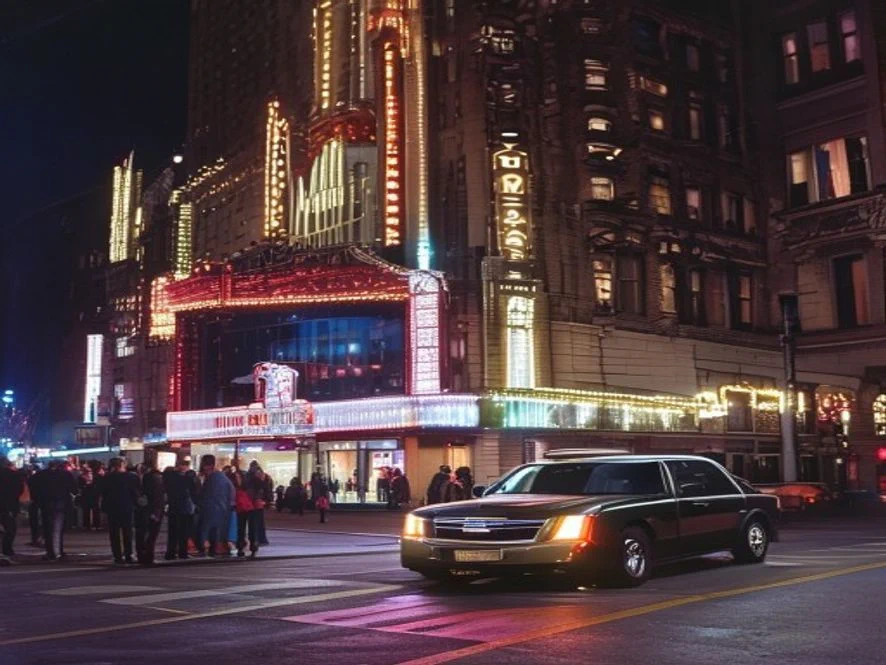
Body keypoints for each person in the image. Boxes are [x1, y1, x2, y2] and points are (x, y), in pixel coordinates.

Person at [101, 457, 141, 564]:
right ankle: (129, 554)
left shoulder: (107, 478)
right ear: (122, 465)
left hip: (112, 507)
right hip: (127, 506)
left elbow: (103, 493)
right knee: (127, 532)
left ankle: (117, 555)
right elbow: (136, 492)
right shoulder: (131, 477)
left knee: (114, 533)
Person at [196, 454, 235, 557]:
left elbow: (204, 494)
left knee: (203, 529)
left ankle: (203, 549)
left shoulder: (211, 479)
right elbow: (231, 492)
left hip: (210, 508)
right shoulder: (223, 478)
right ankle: (212, 550)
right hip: (221, 509)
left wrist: (200, 504)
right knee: (215, 531)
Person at [41, 461, 77, 560]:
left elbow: (34, 486)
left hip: (46, 503)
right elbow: (74, 488)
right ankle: (57, 551)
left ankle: (50, 551)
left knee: (48, 528)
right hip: (61, 503)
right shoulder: (65, 475)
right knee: (58, 528)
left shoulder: (42, 475)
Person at [164, 459, 198, 560]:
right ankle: (182, 552)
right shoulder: (186, 478)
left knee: (173, 532)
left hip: (174, 507)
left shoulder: (170, 477)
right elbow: (193, 491)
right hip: (184, 508)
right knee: (183, 532)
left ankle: (171, 553)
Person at [137, 462, 165, 565]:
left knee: (144, 534)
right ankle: (148, 556)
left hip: (146, 510)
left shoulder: (145, 478)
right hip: (153, 511)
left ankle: (144, 556)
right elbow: (158, 497)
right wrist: (156, 512)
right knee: (151, 535)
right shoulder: (155, 478)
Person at [0, 457, 25, 557]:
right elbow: (19, 489)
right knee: (10, 528)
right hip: (9, 505)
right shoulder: (14, 475)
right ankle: (7, 549)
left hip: (7, 503)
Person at [232, 472, 257, 557]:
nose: (237, 479)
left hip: (248, 509)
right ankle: (242, 547)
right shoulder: (237, 488)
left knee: (249, 529)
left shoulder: (245, 488)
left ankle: (251, 546)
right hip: (242, 509)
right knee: (241, 529)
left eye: (239, 477)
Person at [247, 462, 272, 546]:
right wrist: (267, 500)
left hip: (253, 502)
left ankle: (256, 539)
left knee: (254, 522)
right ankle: (261, 539)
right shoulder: (263, 478)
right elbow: (267, 489)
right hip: (258, 502)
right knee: (259, 522)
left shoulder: (251, 477)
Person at [78, 466, 101, 530]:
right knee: (86, 510)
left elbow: (99, 485)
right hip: (86, 495)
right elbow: (80, 486)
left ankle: (96, 525)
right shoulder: (81, 477)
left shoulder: (97, 476)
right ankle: (87, 525)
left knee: (95, 510)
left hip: (94, 495)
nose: (88, 472)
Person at [25, 466, 43, 546]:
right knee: (41, 521)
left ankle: (35, 539)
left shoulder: (32, 479)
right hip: (42, 502)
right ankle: (40, 539)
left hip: (34, 501)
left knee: (34, 522)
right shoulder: (44, 479)